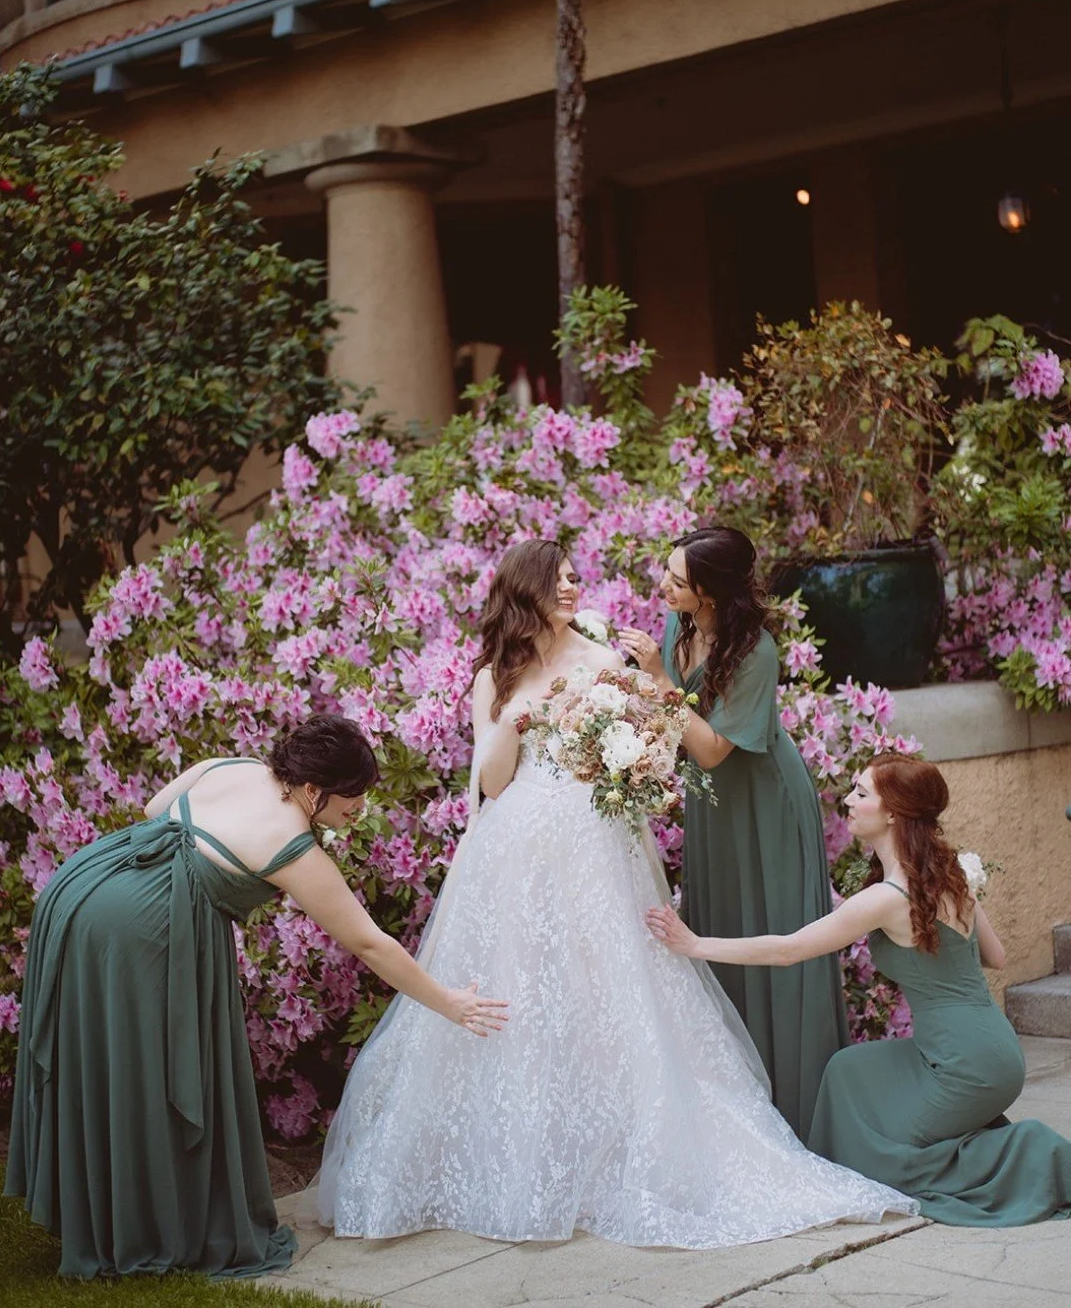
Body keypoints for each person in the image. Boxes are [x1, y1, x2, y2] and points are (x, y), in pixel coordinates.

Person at [310, 539, 916, 1249]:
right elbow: (493, 783)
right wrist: (514, 718)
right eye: (559, 582)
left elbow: (654, 750)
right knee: (521, 985)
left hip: (596, 845)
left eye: (575, 579)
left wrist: (625, 764)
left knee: (612, 987)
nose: (573, 589)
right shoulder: (492, 678)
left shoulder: (602, 659)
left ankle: (618, 1145)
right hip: (516, 850)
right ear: (526, 592)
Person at [5, 714, 507, 1279]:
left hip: (84, 887)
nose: (359, 809)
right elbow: (370, 943)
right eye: (353, 796)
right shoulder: (291, 847)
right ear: (313, 790)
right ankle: (139, 1226)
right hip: (135, 931)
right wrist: (449, 1003)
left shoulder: (233, 766)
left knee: (106, 1059)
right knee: (143, 1070)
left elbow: (155, 809)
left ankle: (106, 1211)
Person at [647, 753, 1071, 1226]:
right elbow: (997, 957)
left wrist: (695, 944)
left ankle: (1039, 1153)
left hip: (964, 1065)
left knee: (896, 1158)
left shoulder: (889, 898)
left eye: (861, 793)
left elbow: (789, 950)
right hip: (991, 1049)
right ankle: (848, 1169)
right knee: (848, 1071)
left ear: (892, 813)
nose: (847, 800)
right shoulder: (951, 878)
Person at [618, 525, 848, 1140]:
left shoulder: (755, 651)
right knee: (718, 928)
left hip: (763, 803)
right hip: (714, 806)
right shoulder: (679, 624)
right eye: (667, 571)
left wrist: (658, 682)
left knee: (771, 931)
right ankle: (736, 1115)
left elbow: (714, 748)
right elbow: (673, 726)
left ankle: (795, 1114)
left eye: (676, 580)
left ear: (712, 592)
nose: (662, 586)